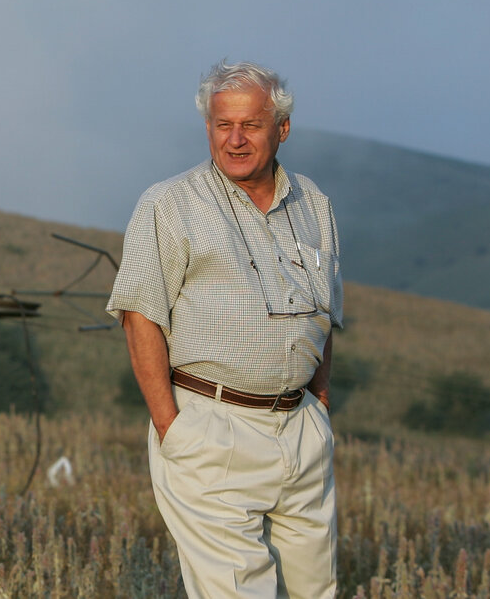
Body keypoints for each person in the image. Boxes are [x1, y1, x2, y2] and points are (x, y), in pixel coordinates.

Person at [106, 60, 343, 598]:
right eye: (222, 125)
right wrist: (173, 428)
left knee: (318, 591)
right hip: (211, 425)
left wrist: (320, 406)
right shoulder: (170, 204)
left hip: (299, 428)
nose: (234, 140)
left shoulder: (315, 205)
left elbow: (325, 313)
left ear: (281, 129)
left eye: (250, 126)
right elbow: (140, 316)